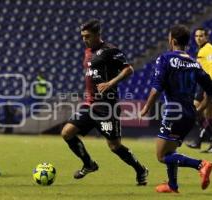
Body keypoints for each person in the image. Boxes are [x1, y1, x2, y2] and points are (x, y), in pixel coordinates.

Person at [61, 19, 148, 185]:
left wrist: (110, 83)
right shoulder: (87, 51)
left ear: (97, 35)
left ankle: (140, 169)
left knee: (115, 146)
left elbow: (128, 69)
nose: (84, 39)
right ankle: (89, 164)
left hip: (107, 107)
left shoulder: (110, 50)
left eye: (87, 36)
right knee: (67, 132)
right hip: (90, 104)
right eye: (82, 36)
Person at [140, 25, 212, 193]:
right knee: (171, 149)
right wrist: (200, 110)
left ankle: (201, 165)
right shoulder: (194, 63)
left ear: (172, 40)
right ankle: (172, 185)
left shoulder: (165, 58)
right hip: (189, 115)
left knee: (162, 156)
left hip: (173, 112)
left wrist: (146, 108)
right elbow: (210, 92)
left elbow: (156, 87)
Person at [186, 27, 212, 153]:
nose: (198, 38)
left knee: (202, 113)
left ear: (206, 37)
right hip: (203, 83)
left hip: (209, 83)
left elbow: (211, 67)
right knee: (203, 114)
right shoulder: (202, 49)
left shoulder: (208, 49)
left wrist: (209, 85)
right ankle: (211, 140)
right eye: (196, 36)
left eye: (201, 36)